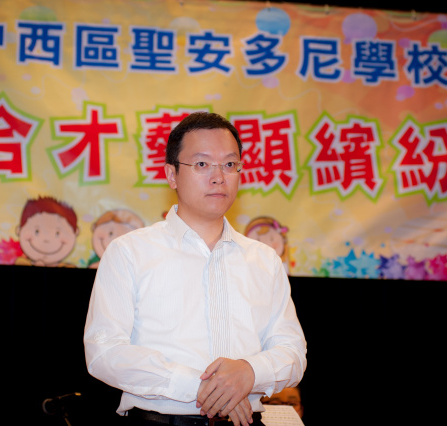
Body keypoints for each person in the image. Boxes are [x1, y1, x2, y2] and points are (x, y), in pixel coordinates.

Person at [84, 112, 307, 426]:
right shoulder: (129, 252)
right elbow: (104, 351)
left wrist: (249, 372)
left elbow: (292, 351)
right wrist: (200, 387)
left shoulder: (264, 259)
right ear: (172, 174)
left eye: (229, 164)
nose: (219, 177)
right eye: (202, 164)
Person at [14, 195, 79, 267]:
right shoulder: (22, 262)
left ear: (75, 232)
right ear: (19, 230)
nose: (46, 240)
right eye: (37, 232)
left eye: (57, 233)